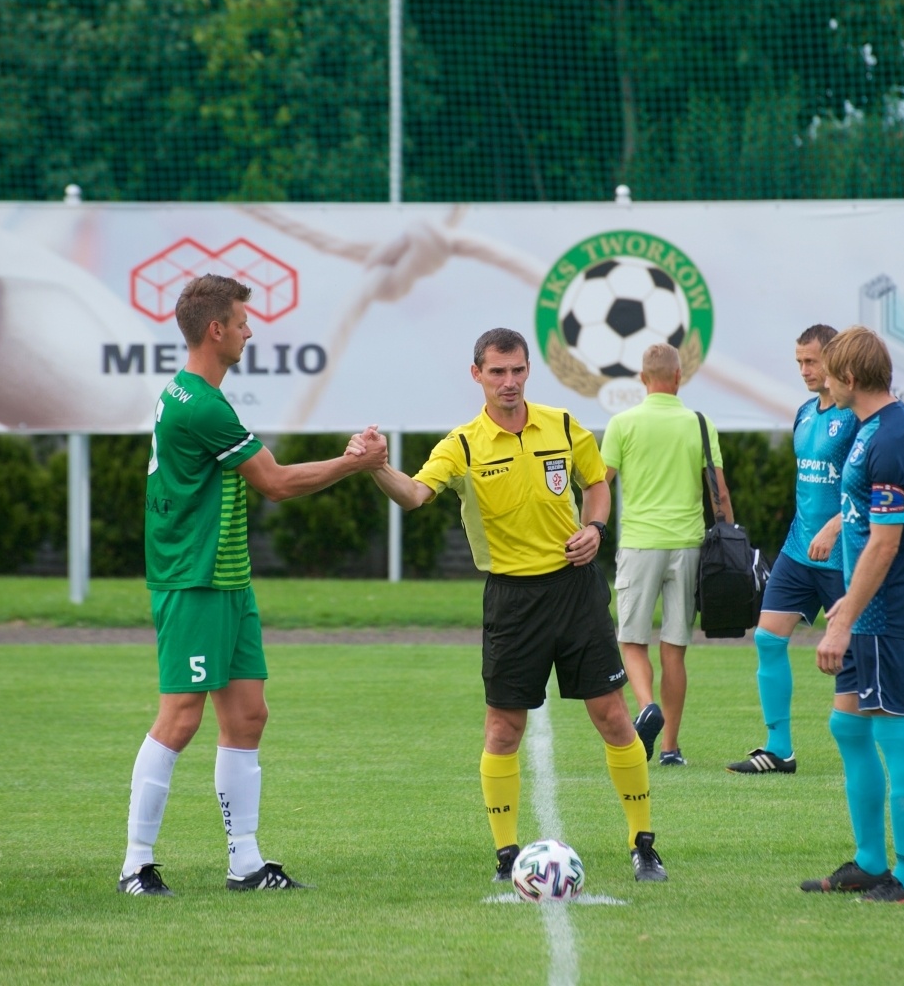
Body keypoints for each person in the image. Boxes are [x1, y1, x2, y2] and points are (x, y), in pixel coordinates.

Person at [119, 274, 388, 897]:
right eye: (242, 321)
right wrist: (355, 464)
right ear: (216, 330)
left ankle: (245, 862)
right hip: (193, 578)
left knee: (247, 714)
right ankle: (135, 863)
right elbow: (276, 482)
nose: (249, 331)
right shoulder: (202, 405)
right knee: (180, 717)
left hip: (227, 577)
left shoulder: (194, 394)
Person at [366, 328, 667, 883]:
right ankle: (507, 855)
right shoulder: (460, 444)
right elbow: (412, 495)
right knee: (504, 730)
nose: (509, 382)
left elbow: (597, 484)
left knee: (614, 717)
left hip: (576, 589)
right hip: (511, 600)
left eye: (518, 370)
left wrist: (595, 526)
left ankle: (643, 843)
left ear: (529, 371)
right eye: (498, 372)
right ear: (476, 374)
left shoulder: (561, 424)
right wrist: (376, 465)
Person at [802, 326, 904, 903]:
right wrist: (836, 528)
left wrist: (844, 618)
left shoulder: (891, 437)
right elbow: (864, 512)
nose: (822, 380)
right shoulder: (878, 426)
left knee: (893, 731)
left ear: (850, 379)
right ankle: (870, 861)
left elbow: (885, 541)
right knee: (848, 725)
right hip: (865, 607)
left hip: (883, 614)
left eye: (829, 371)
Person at [728, 325, 858, 776]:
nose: (804, 370)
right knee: (767, 638)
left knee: (851, 653)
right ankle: (779, 750)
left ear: (836, 361)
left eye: (812, 362)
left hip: (843, 556)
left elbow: (871, 487)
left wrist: (837, 526)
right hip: (798, 551)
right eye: (799, 362)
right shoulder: (805, 413)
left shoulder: (858, 417)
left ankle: (860, 749)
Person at [601, 343, 733, 767]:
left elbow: (601, 482)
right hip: (688, 545)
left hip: (640, 542)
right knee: (674, 648)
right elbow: (720, 491)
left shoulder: (622, 423)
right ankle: (672, 747)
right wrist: (733, 541)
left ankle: (645, 706)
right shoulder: (699, 423)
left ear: (642, 379)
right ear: (678, 377)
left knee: (631, 640)